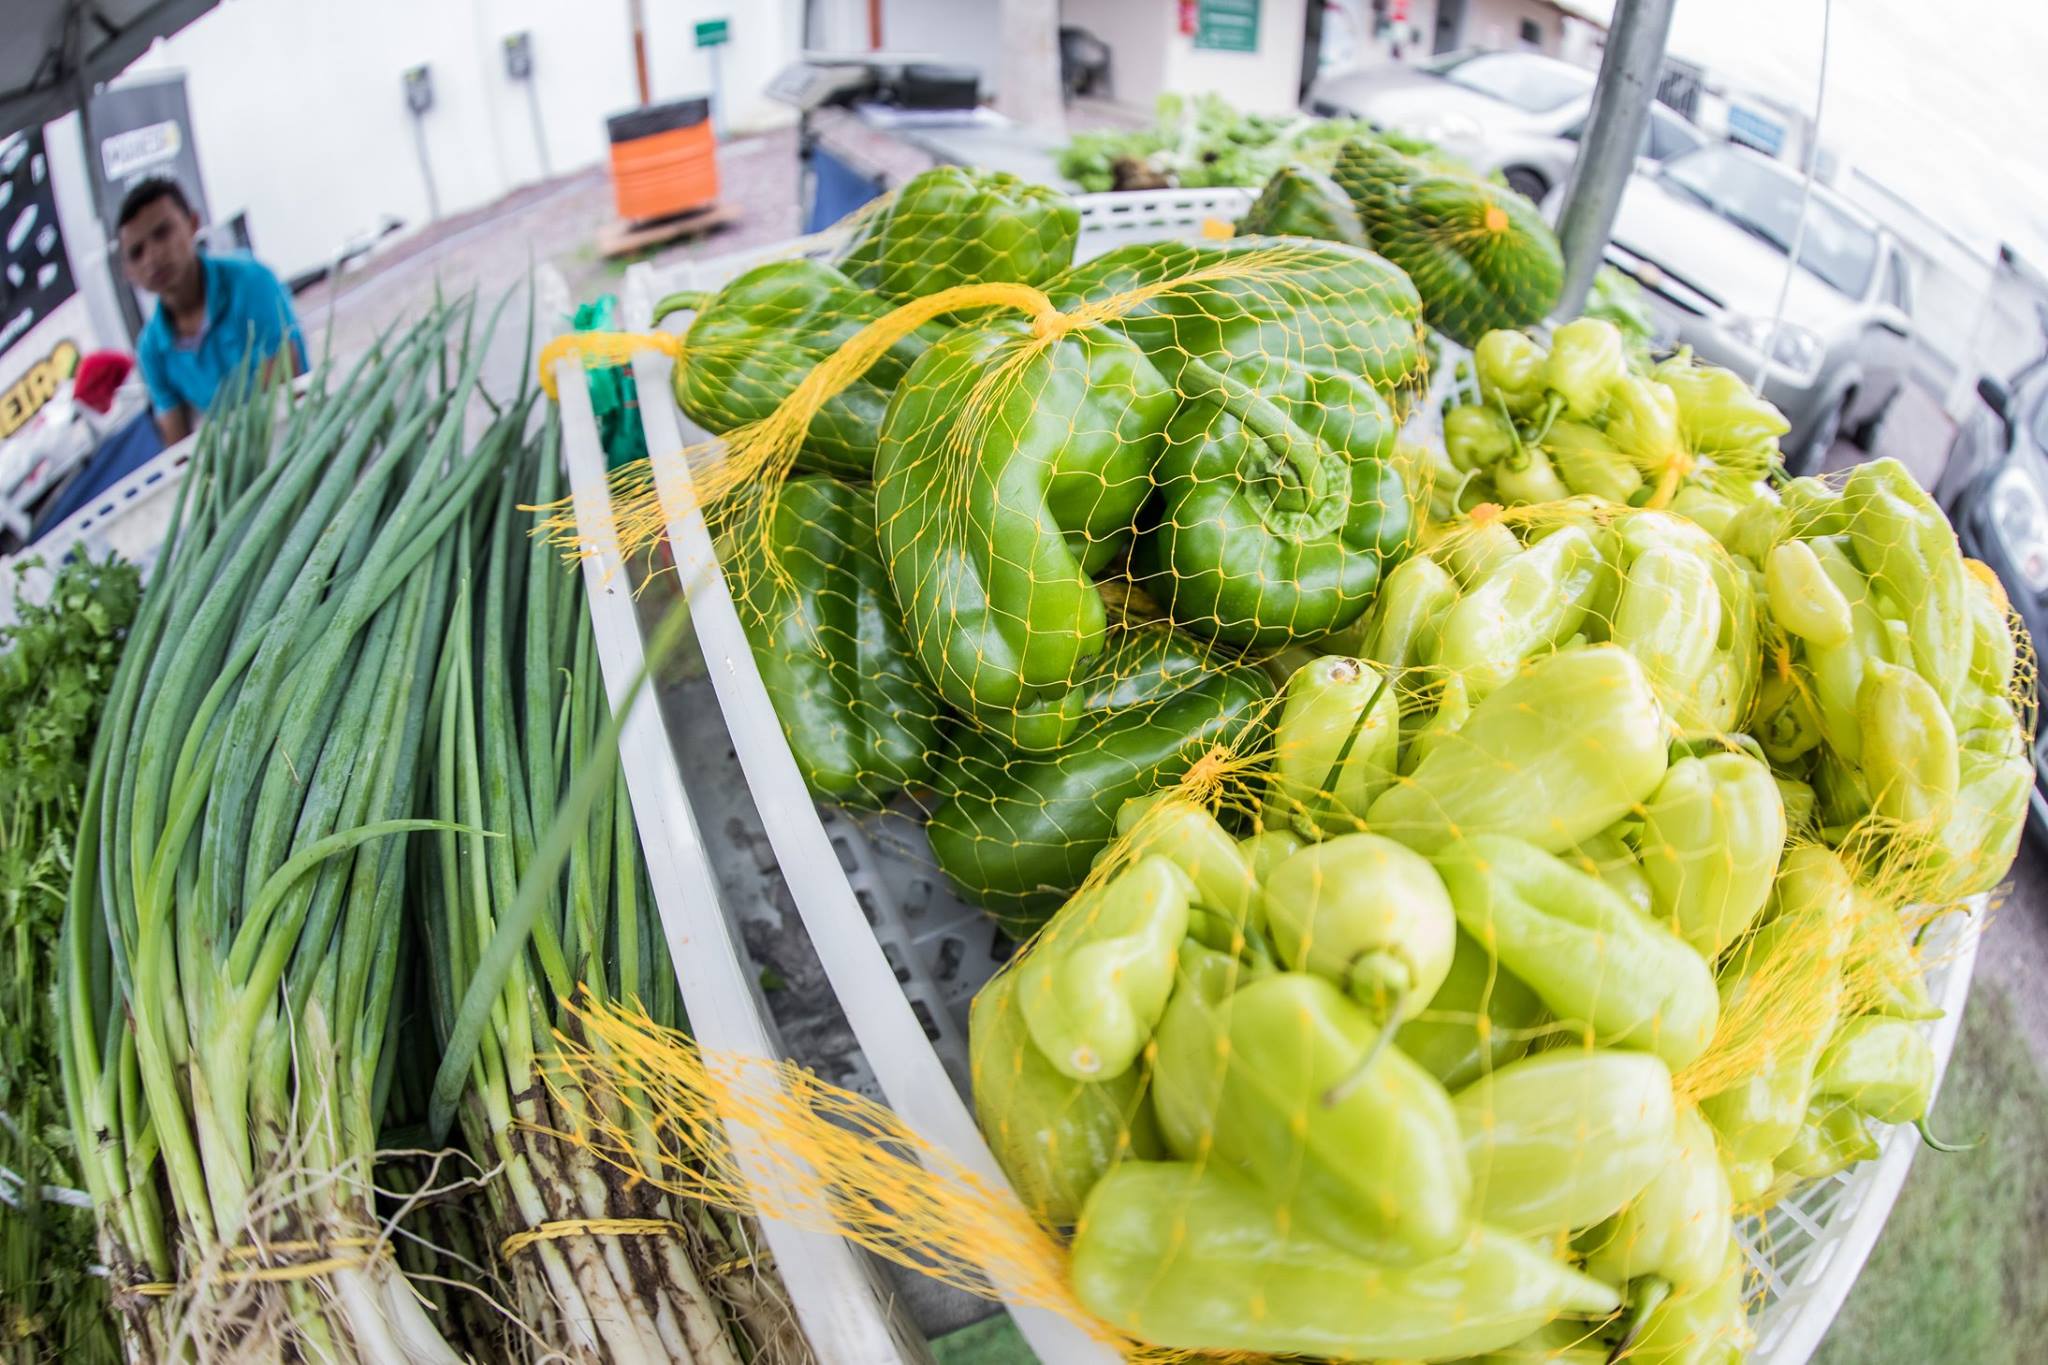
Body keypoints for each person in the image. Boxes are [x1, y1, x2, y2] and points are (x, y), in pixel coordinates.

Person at [117, 177, 306, 444]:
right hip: (239, 461)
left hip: (298, 435)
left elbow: (283, 391)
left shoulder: (252, 282)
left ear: (193, 223)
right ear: (129, 273)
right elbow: (178, 447)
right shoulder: (150, 350)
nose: (152, 257)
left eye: (162, 233)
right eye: (137, 252)